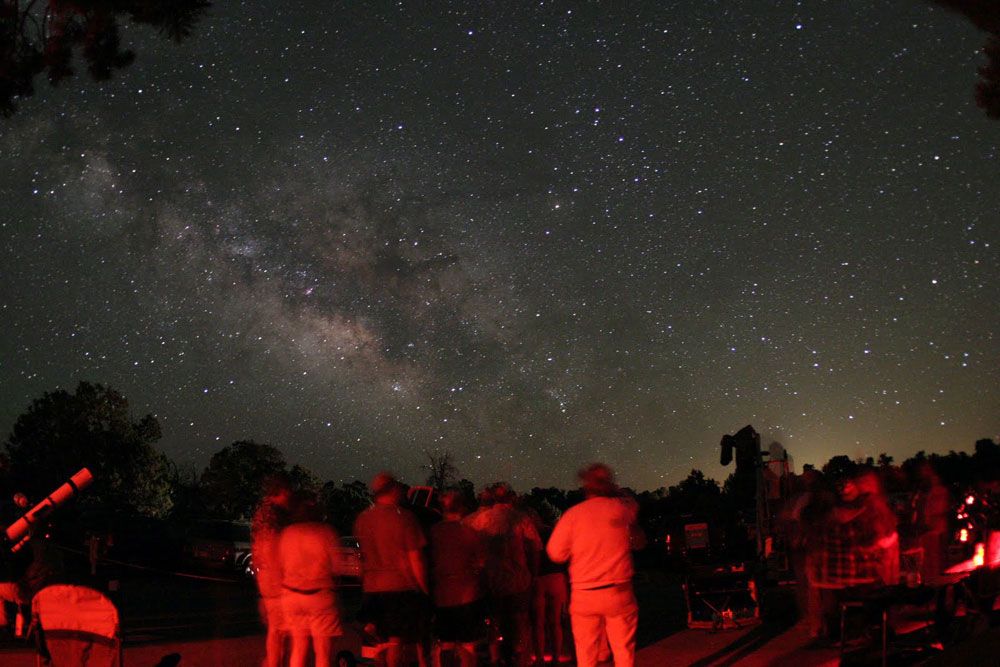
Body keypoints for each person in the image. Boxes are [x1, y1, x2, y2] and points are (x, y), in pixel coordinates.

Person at [547, 463, 644, 667]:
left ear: (585, 486)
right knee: (623, 651)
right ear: (609, 484)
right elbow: (637, 526)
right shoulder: (623, 508)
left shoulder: (573, 515)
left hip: (585, 594)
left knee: (586, 654)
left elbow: (555, 554)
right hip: (619, 591)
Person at [354, 472, 430, 667]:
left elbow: (362, 558)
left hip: (371, 588)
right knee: (396, 640)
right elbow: (416, 559)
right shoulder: (405, 518)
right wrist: (423, 588)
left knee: (380, 643)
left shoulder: (363, 519)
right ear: (394, 490)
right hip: (398, 588)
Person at [467, 482, 541, 667]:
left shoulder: (481, 520)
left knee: (494, 621)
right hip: (518, 580)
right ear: (511, 497)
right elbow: (535, 548)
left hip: (491, 580)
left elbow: (471, 549)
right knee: (519, 621)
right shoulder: (520, 519)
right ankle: (521, 659)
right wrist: (534, 574)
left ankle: (495, 658)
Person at [278, 494, 345, 667]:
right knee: (322, 652)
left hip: (291, 595)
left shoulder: (288, 533)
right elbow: (337, 568)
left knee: (299, 648)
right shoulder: (326, 532)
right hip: (319, 596)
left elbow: (281, 565)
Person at [429, 490, 487, 667]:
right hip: (467, 593)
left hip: (443, 594)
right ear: (461, 508)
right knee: (468, 644)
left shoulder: (434, 533)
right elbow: (481, 562)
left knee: (446, 643)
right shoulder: (469, 532)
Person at [251, 473, 295, 667]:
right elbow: (272, 548)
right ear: (283, 491)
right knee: (279, 631)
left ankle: (273, 662)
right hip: (276, 580)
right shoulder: (274, 514)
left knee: (278, 631)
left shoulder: (262, 512)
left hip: (267, 578)